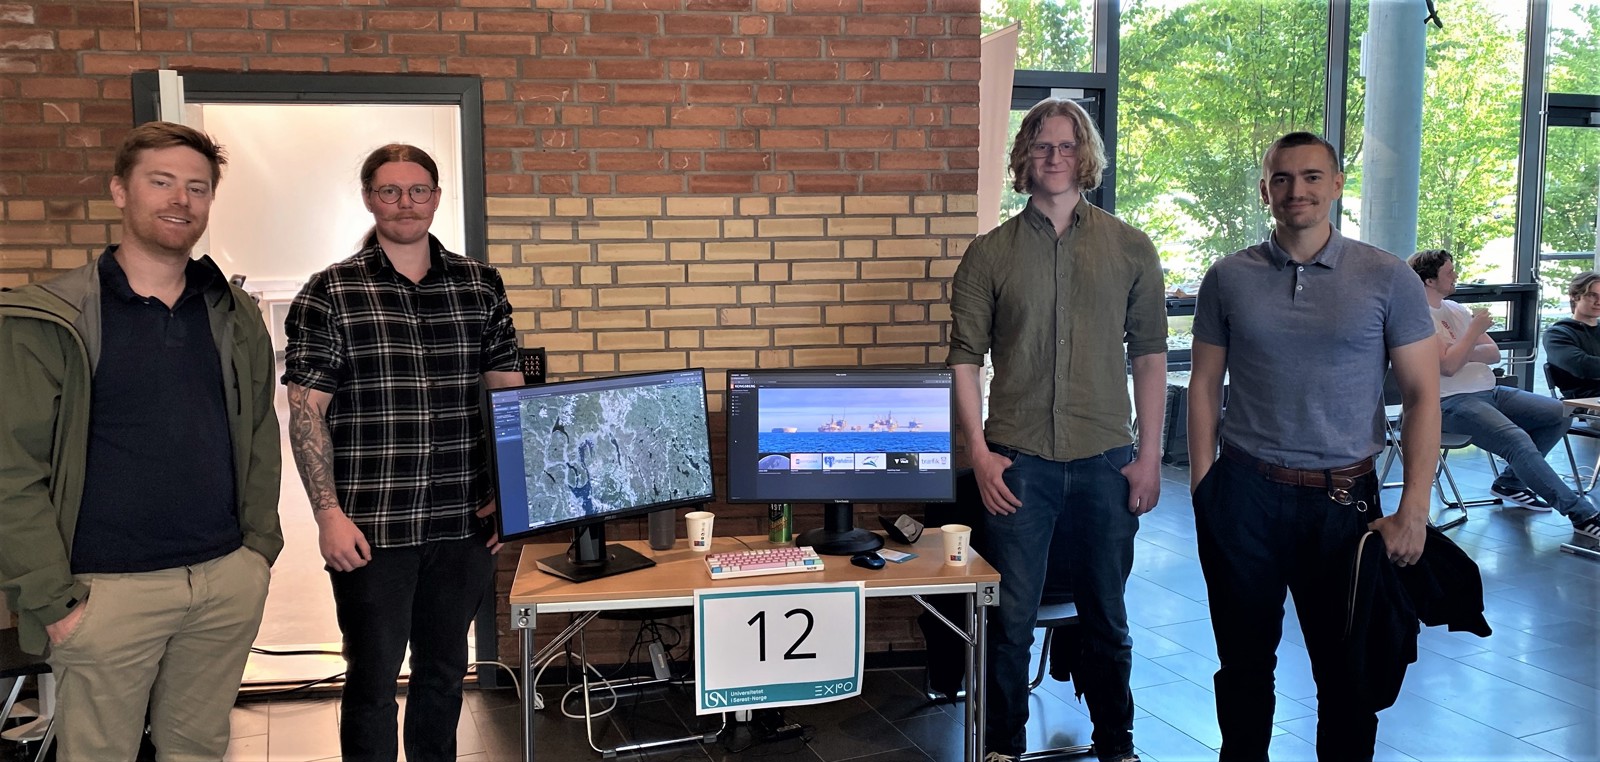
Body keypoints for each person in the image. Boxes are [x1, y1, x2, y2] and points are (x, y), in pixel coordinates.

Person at [0, 121, 281, 759]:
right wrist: (54, 601)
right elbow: (11, 471)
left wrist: (257, 553)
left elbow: (260, 434)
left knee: (199, 748)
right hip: (105, 594)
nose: (181, 200)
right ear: (120, 191)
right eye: (161, 182)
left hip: (222, 581)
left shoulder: (232, 315)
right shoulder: (53, 319)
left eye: (197, 188)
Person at [1186, 131, 1439, 761]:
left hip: (1345, 506)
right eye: (1281, 178)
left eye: (1311, 176)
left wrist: (1414, 508)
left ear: (1336, 185)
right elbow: (1204, 384)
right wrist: (1204, 487)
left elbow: (1422, 396)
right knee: (1243, 667)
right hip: (1244, 495)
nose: (1295, 190)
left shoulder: (1387, 277)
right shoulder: (1229, 277)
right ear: (1265, 189)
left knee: (1348, 675)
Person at [284, 144, 521, 762]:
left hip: (464, 524)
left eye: (418, 190)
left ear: (436, 198)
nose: (405, 203)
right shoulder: (331, 292)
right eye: (389, 191)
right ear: (369, 198)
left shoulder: (479, 284)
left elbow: (509, 393)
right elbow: (306, 412)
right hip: (372, 529)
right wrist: (327, 515)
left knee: (443, 676)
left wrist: (513, 497)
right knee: (371, 684)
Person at [947, 97, 1165, 762]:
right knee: (1010, 619)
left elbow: (1150, 356)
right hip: (1017, 465)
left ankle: (1117, 742)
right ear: (1025, 156)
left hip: (1106, 460)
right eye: (1042, 145)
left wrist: (1150, 457)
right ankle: (1002, 746)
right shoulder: (989, 254)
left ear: (1085, 155)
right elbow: (964, 359)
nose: (1054, 156)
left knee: (1107, 617)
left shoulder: (1131, 248)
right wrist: (979, 454)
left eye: (1067, 145)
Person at [1408, 249, 1600, 543]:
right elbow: (1448, 367)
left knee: (1559, 413)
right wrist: (1472, 334)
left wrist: (1459, 350)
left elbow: (1493, 354)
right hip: (1448, 402)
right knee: (1517, 441)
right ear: (1429, 280)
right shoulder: (1418, 316)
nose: (1456, 276)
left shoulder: (1455, 309)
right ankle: (1582, 515)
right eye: (1449, 272)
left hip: (1490, 391)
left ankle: (1510, 483)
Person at [1543, 270, 1600, 400]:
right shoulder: (1557, 334)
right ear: (1575, 296)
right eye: (1592, 295)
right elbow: (1583, 366)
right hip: (1586, 400)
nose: (1598, 301)